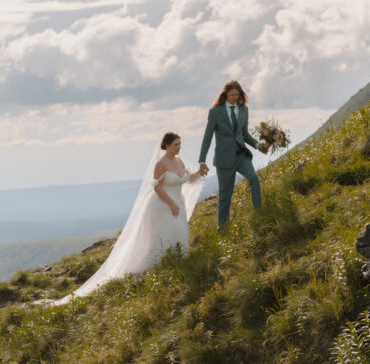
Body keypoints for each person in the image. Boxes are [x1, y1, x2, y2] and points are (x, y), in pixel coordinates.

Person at [57, 132, 204, 303]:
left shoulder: (179, 161)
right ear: (167, 146)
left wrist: (199, 172)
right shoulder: (161, 164)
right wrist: (171, 204)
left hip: (179, 203)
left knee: (178, 233)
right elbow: (156, 187)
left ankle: (179, 263)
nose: (179, 147)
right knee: (163, 237)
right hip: (163, 206)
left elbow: (187, 180)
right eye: (176, 144)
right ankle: (161, 265)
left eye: (180, 144)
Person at [199, 80, 263, 231]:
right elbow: (207, 137)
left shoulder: (244, 110)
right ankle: (223, 229)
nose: (235, 97)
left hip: (241, 155)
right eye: (232, 94)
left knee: (253, 178)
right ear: (225, 95)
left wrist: (258, 145)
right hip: (224, 160)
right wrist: (202, 160)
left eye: (237, 94)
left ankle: (260, 214)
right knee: (225, 196)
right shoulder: (215, 112)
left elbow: (245, 134)